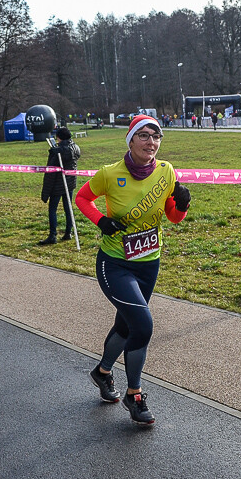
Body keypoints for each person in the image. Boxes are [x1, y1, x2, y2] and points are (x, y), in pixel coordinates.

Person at [74, 115, 190, 425]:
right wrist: (101, 221)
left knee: (127, 327)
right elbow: (82, 197)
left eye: (157, 137)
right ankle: (134, 395)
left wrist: (182, 204)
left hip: (149, 263)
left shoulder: (166, 171)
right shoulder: (110, 174)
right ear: (131, 139)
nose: (151, 142)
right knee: (143, 325)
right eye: (145, 136)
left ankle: (102, 373)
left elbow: (173, 216)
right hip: (114, 264)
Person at [39, 127, 81, 245]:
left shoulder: (58, 152)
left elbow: (50, 172)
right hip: (70, 183)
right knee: (68, 207)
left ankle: (53, 235)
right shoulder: (75, 148)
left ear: (59, 138)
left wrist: (46, 192)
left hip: (58, 184)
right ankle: (68, 232)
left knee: (52, 209)